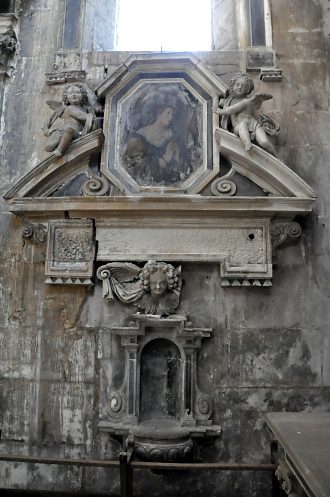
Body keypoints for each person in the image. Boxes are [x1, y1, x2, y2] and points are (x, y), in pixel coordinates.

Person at [213, 72, 277, 156]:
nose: (239, 87)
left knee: (264, 142)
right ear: (233, 85)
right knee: (242, 126)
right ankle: (248, 145)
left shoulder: (247, 101)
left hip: (254, 125)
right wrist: (215, 99)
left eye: (243, 86)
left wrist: (220, 111)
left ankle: (276, 155)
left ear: (248, 89)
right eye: (237, 84)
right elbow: (221, 102)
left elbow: (231, 110)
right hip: (239, 126)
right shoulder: (229, 101)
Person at [123, 104, 184, 185]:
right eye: (168, 113)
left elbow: (179, 165)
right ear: (158, 113)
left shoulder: (172, 136)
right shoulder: (139, 137)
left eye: (172, 115)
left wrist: (176, 160)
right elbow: (133, 166)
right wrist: (162, 161)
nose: (171, 117)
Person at [43, 84, 95, 157]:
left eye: (77, 92)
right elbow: (49, 121)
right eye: (70, 93)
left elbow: (92, 120)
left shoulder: (87, 110)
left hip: (77, 132)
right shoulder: (67, 108)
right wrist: (47, 131)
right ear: (66, 97)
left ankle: (59, 150)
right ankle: (59, 143)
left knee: (69, 130)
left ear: (82, 95)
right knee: (49, 146)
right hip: (62, 130)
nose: (74, 95)